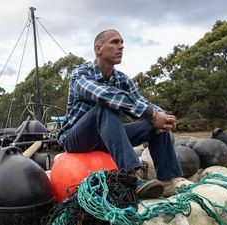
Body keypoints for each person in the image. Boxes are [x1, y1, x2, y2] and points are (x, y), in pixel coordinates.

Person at [57, 29, 183, 198]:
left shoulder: (122, 79)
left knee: (154, 124)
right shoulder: (80, 74)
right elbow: (104, 95)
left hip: (107, 137)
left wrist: (162, 117)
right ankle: (132, 176)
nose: (121, 46)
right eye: (115, 42)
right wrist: (152, 114)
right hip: (76, 139)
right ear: (98, 48)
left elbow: (143, 103)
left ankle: (168, 181)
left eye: (122, 42)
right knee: (106, 106)